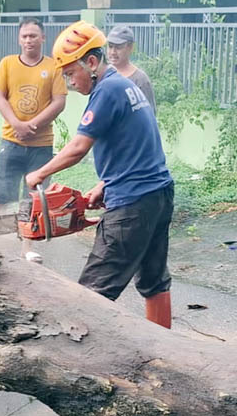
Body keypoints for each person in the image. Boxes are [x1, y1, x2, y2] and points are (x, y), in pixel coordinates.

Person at [25, 20, 174, 329]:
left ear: (91, 62)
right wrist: (105, 183)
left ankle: (73, 365)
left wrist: (40, 173)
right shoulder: (126, 85)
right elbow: (139, 142)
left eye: (70, 73)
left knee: (91, 294)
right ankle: (166, 351)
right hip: (157, 194)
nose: (69, 82)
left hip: (133, 204)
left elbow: (79, 147)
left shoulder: (106, 90)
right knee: (154, 280)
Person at [0, 17, 67, 263]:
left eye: (33, 35)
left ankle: (27, 248)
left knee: (34, 198)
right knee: (0, 195)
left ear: (43, 38)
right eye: (24, 36)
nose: (29, 40)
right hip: (11, 142)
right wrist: (17, 124)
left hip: (41, 145)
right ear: (18, 39)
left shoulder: (54, 67)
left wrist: (32, 125)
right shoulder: (8, 64)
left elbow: (59, 102)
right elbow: (0, 96)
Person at [106, 25, 156, 112]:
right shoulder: (102, 75)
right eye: (110, 46)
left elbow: (149, 115)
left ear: (130, 47)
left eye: (118, 47)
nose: (113, 52)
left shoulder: (140, 80)